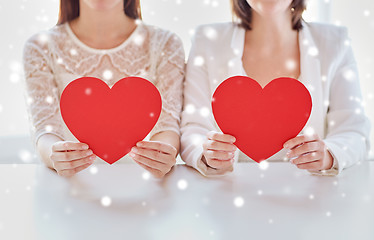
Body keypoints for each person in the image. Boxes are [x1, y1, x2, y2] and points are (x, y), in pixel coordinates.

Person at [180, 0, 371, 176]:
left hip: (311, 196)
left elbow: (354, 131)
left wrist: (329, 154)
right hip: (230, 192)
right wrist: (206, 153)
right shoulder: (207, 41)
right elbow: (192, 127)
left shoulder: (334, 42)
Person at [23, 0, 184, 178]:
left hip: (144, 184)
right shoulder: (40, 47)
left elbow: (168, 125)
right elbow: (45, 130)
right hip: (71, 186)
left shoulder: (165, 44)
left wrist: (163, 155)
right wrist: (55, 156)